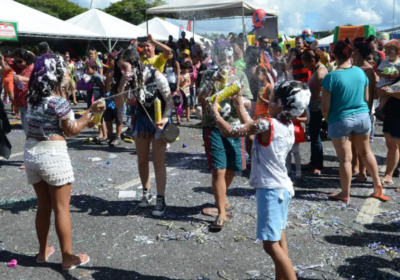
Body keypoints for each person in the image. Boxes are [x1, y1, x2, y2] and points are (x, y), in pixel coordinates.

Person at [208, 80, 310, 280]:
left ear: (279, 103)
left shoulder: (268, 124)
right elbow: (251, 129)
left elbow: (231, 131)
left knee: (270, 245)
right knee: (279, 239)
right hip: (283, 189)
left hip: (271, 191)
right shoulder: (286, 124)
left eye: (272, 99)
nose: (268, 102)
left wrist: (215, 112)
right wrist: (238, 103)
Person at [24, 53, 105, 270]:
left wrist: (85, 119)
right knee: (61, 208)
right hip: (53, 156)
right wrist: (90, 112)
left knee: (43, 206)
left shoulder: (32, 98)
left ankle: (42, 252)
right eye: (66, 72)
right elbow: (72, 131)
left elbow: (67, 125)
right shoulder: (58, 101)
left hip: (32, 153)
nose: (69, 75)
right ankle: (68, 257)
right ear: (57, 74)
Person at [321, 39, 388, 203]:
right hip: (362, 117)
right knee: (366, 152)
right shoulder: (361, 72)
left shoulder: (331, 76)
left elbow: (325, 107)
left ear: (334, 56)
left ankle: (345, 193)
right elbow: (366, 98)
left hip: (340, 119)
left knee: (345, 159)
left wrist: (330, 121)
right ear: (351, 54)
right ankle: (377, 186)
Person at [198, 40, 253, 230]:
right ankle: (221, 212)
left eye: (228, 57)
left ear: (233, 58)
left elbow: (248, 104)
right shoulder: (208, 74)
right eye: (221, 57)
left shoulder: (240, 75)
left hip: (235, 126)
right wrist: (211, 85)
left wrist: (237, 96)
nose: (226, 60)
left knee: (233, 167)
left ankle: (222, 197)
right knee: (218, 169)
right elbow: (200, 99)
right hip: (213, 126)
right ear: (216, 58)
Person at [113, 48, 173, 217]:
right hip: (141, 120)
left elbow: (169, 102)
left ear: (134, 63)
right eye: (120, 68)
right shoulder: (129, 79)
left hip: (159, 120)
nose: (122, 71)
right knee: (142, 160)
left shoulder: (157, 76)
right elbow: (119, 103)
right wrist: (122, 83)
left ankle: (161, 199)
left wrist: (166, 119)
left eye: (124, 67)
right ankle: (146, 192)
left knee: (158, 162)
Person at [352, 36, 378, 183]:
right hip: (354, 110)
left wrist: (366, 114)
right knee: (353, 143)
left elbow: (370, 97)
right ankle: (355, 168)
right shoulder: (354, 68)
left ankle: (362, 172)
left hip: (363, 111)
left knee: (363, 145)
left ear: (356, 50)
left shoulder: (368, 70)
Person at [302, 49, 328, 175]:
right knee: (313, 136)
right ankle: (313, 161)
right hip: (314, 108)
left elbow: (315, 94)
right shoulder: (317, 71)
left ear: (312, 60)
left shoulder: (320, 72)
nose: (306, 67)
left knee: (316, 136)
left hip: (317, 108)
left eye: (306, 64)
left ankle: (318, 164)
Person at [10, 49, 35, 135]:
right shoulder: (20, 69)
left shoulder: (32, 68)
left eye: (20, 61)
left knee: (30, 132)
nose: (18, 64)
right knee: (27, 131)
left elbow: (40, 81)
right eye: (16, 62)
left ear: (26, 59)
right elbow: (6, 60)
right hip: (22, 105)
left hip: (30, 105)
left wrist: (24, 79)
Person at [374, 40, 400, 120]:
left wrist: (397, 73)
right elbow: (378, 72)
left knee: (388, 93)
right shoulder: (385, 62)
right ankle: (380, 109)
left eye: (390, 52)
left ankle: (380, 108)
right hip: (384, 83)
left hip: (394, 85)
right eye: (386, 52)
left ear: (398, 52)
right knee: (386, 94)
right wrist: (384, 74)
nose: (387, 53)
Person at [86, 61, 108, 145]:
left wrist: (103, 98)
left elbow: (103, 87)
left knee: (101, 119)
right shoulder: (92, 76)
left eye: (88, 68)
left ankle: (105, 136)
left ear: (94, 69)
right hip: (96, 99)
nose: (87, 70)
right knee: (98, 119)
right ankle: (100, 134)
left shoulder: (97, 76)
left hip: (100, 100)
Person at [104, 52, 123, 147]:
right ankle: (110, 135)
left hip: (117, 97)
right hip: (108, 97)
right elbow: (106, 84)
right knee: (107, 117)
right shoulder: (109, 71)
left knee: (118, 117)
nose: (108, 62)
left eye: (110, 60)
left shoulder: (119, 71)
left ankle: (118, 136)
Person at [286, 110, 308, 178]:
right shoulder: (285, 105)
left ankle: (298, 171)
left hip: (296, 130)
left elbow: (306, 119)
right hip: (286, 129)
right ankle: (288, 170)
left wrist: (297, 119)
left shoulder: (301, 106)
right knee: (287, 152)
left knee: (295, 151)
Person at [0, 51, 16, 116]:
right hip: (5, 81)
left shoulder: (12, 62)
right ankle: (15, 109)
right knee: (9, 97)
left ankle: (18, 109)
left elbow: (5, 68)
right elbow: (2, 73)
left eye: (5, 57)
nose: (5, 59)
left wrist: (2, 60)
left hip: (11, 81)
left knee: (12, 97)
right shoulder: (4, 62)